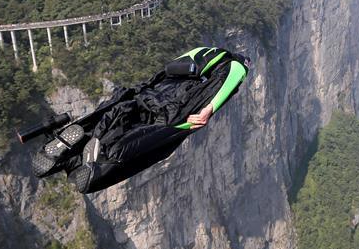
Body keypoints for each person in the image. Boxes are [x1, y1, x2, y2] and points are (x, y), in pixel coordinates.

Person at [30, 46, 249, 193]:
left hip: (151, 94)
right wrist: (209, 109)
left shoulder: (204, 51)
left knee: (120, 117)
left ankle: (69, 154)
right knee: (140, 151)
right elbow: (234, 75)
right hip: (178, 110)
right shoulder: (235, 66)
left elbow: (166, 71)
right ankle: (98, 160)